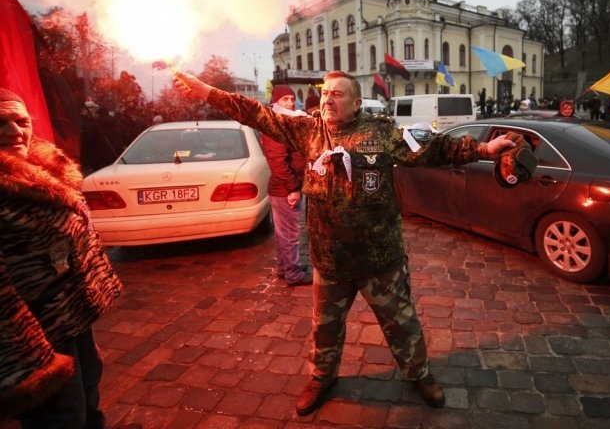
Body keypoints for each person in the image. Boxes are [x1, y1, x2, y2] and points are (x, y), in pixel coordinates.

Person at [173, 69, 519, 416]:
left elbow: (432, 146)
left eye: (337, 94)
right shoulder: (307, 130)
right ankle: (321, 379)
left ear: (356, 104)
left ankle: (419, 375)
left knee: (403, 325)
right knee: (324, 328)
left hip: (379, 261)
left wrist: (485, 148)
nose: (327, 99)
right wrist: (206, 92)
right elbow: (255, 112)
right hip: (330, 261)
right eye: (325, 93)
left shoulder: (381, 132)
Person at [0, 88, 123, 427]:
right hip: (30, 333)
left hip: (72, 315)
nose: (14, 132)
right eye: (1, 123)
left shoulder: (46, 168)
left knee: (89, 394)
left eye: (21, 121)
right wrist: (26, 358)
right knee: (64, 415)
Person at [262, 86, 312, 286]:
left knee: (283, 233)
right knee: (290, 234)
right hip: (285, 188)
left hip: (282, 187)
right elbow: (278, 163)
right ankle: (294, 274)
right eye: (285, 99)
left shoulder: (284, 122)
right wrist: (293, 189)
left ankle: (285, 268)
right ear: (275, 103)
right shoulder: (275, 125)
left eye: (292, 98)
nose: (290, 103)